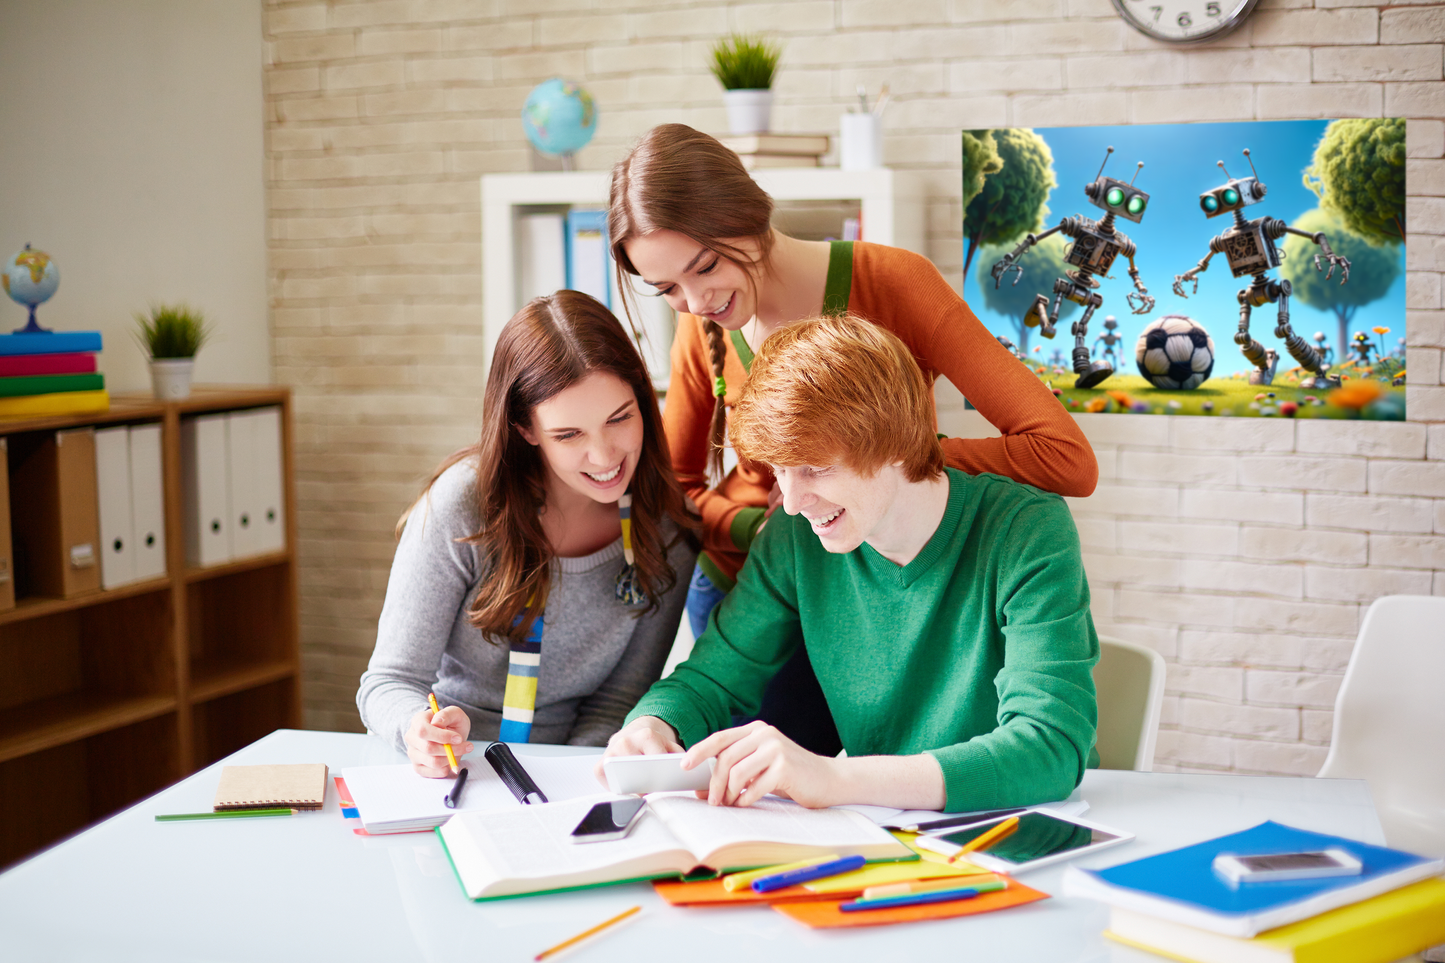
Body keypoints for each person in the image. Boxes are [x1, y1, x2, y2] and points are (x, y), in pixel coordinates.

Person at [607, 123, 1098, 756]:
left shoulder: (896, 284)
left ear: (748, 213)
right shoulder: (706, 333)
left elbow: (1063, 457)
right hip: (767, 585)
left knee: (891, 765)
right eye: (666, 288)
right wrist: (756, 530)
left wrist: (887, 455)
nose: (696, 300)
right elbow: (675, 488)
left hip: (876, 565)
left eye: (705, 266)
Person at [602, 315, 1098, 813]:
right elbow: (710, 678)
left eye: (815, 469)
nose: (792, 503)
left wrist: (833, 777)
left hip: (1028, 823)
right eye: (779, 471)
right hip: (889, 834)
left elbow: (1049, 746)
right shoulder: (793, 539)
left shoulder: (1028, 529)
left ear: (897, 444)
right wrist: (652, 725)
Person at [358, 291, 698, 777]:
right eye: (569, 435)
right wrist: (420, 730)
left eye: (620, 418)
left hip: (570, 772)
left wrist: (562, 784)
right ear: (524, 428)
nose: (604, 457)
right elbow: (389, 681)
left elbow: (617, 702)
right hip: (450, 768)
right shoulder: (462, 506)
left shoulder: (668, 527)